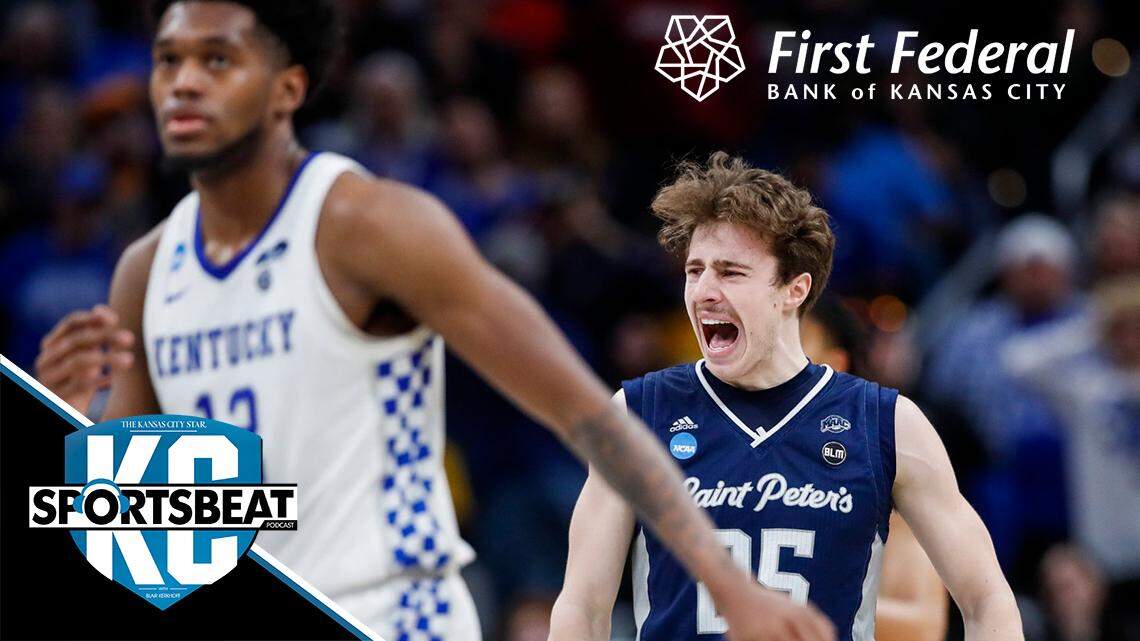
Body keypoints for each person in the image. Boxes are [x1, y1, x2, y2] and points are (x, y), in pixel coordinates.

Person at [31, 4, 835, 641]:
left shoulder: (366, 225)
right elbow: (139, 545)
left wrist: (729, 584)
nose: (183, 83)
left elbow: (585, 413)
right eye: (169, 59)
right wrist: (73, 423)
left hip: (389, 616)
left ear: (287, 87)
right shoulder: (146, 270)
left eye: (217, 59)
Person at [548, 153, 1022, 641]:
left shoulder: (886, 423)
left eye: (731, 272)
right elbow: (582, 606)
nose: (704, 291)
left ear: (794, 290)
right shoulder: (640, 412)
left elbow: (988, 600)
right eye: (695, 271)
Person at [800, 302, 948, 641]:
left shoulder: (877, 458)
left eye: (794, 340)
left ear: (834, 364)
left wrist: (794, 598)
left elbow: (924, 624)